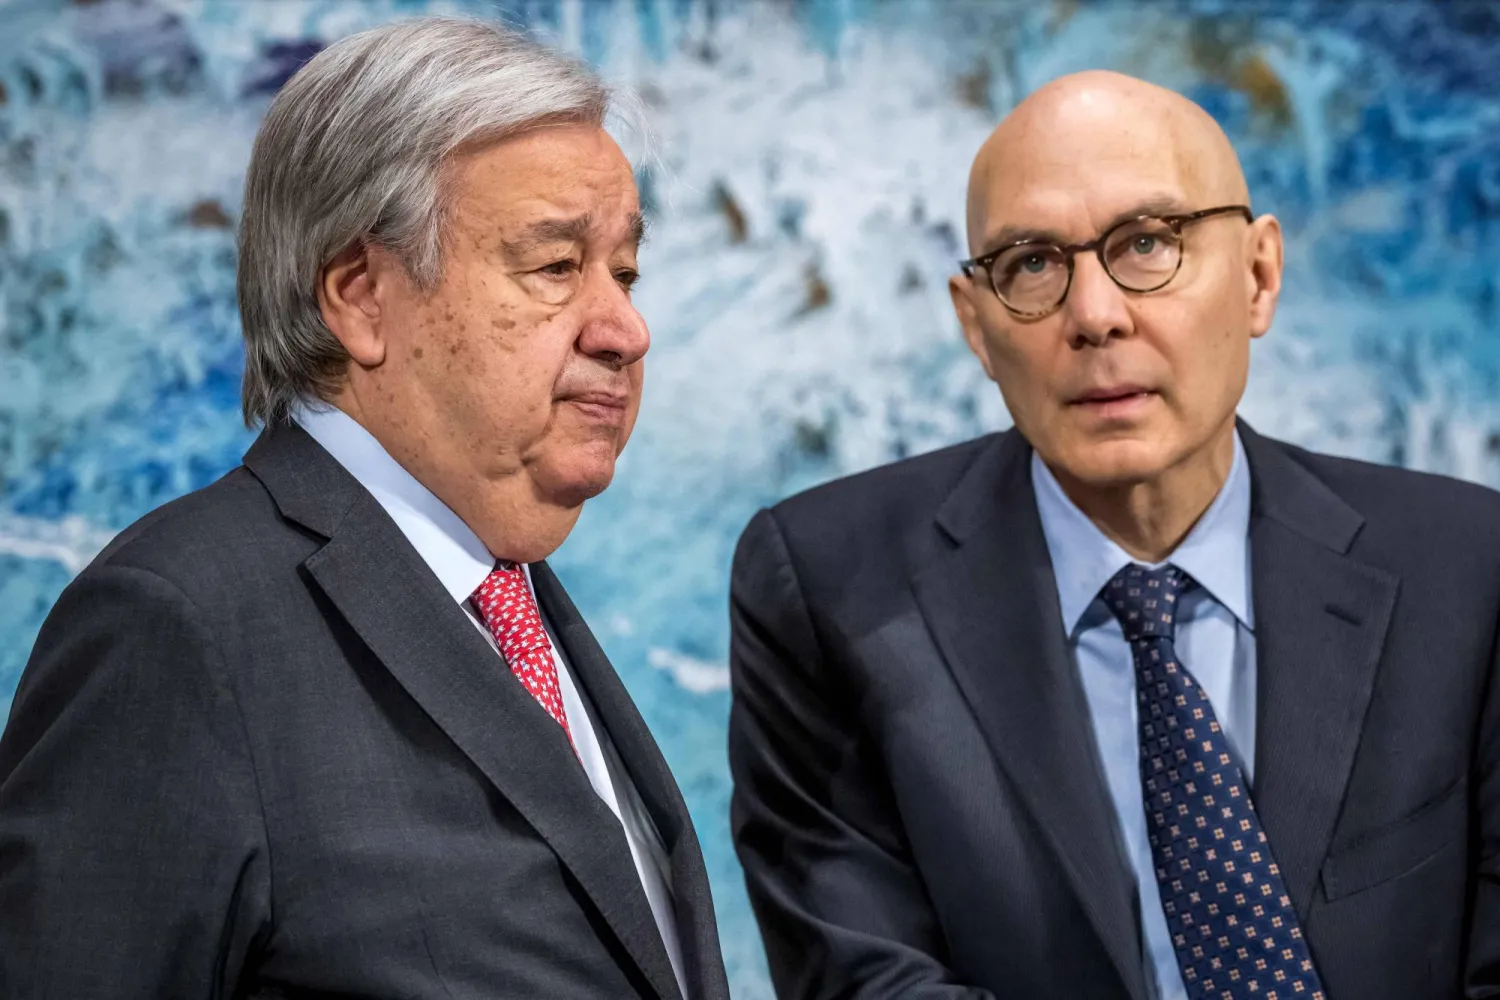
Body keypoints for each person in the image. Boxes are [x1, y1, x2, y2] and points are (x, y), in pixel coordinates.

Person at [728, 69, 1500, 1000]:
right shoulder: (827, 591)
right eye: (1032, 265)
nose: (1094, 316)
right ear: (976, 328)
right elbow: (864, 978)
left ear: (1259, 277)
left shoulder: (1468, 570)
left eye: (1148, 243)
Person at [0, 17, 728, 999]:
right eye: (555, 266)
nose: (626, 327)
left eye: (626, 272)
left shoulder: (512, 593)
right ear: (359, 296)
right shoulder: (176, 627)